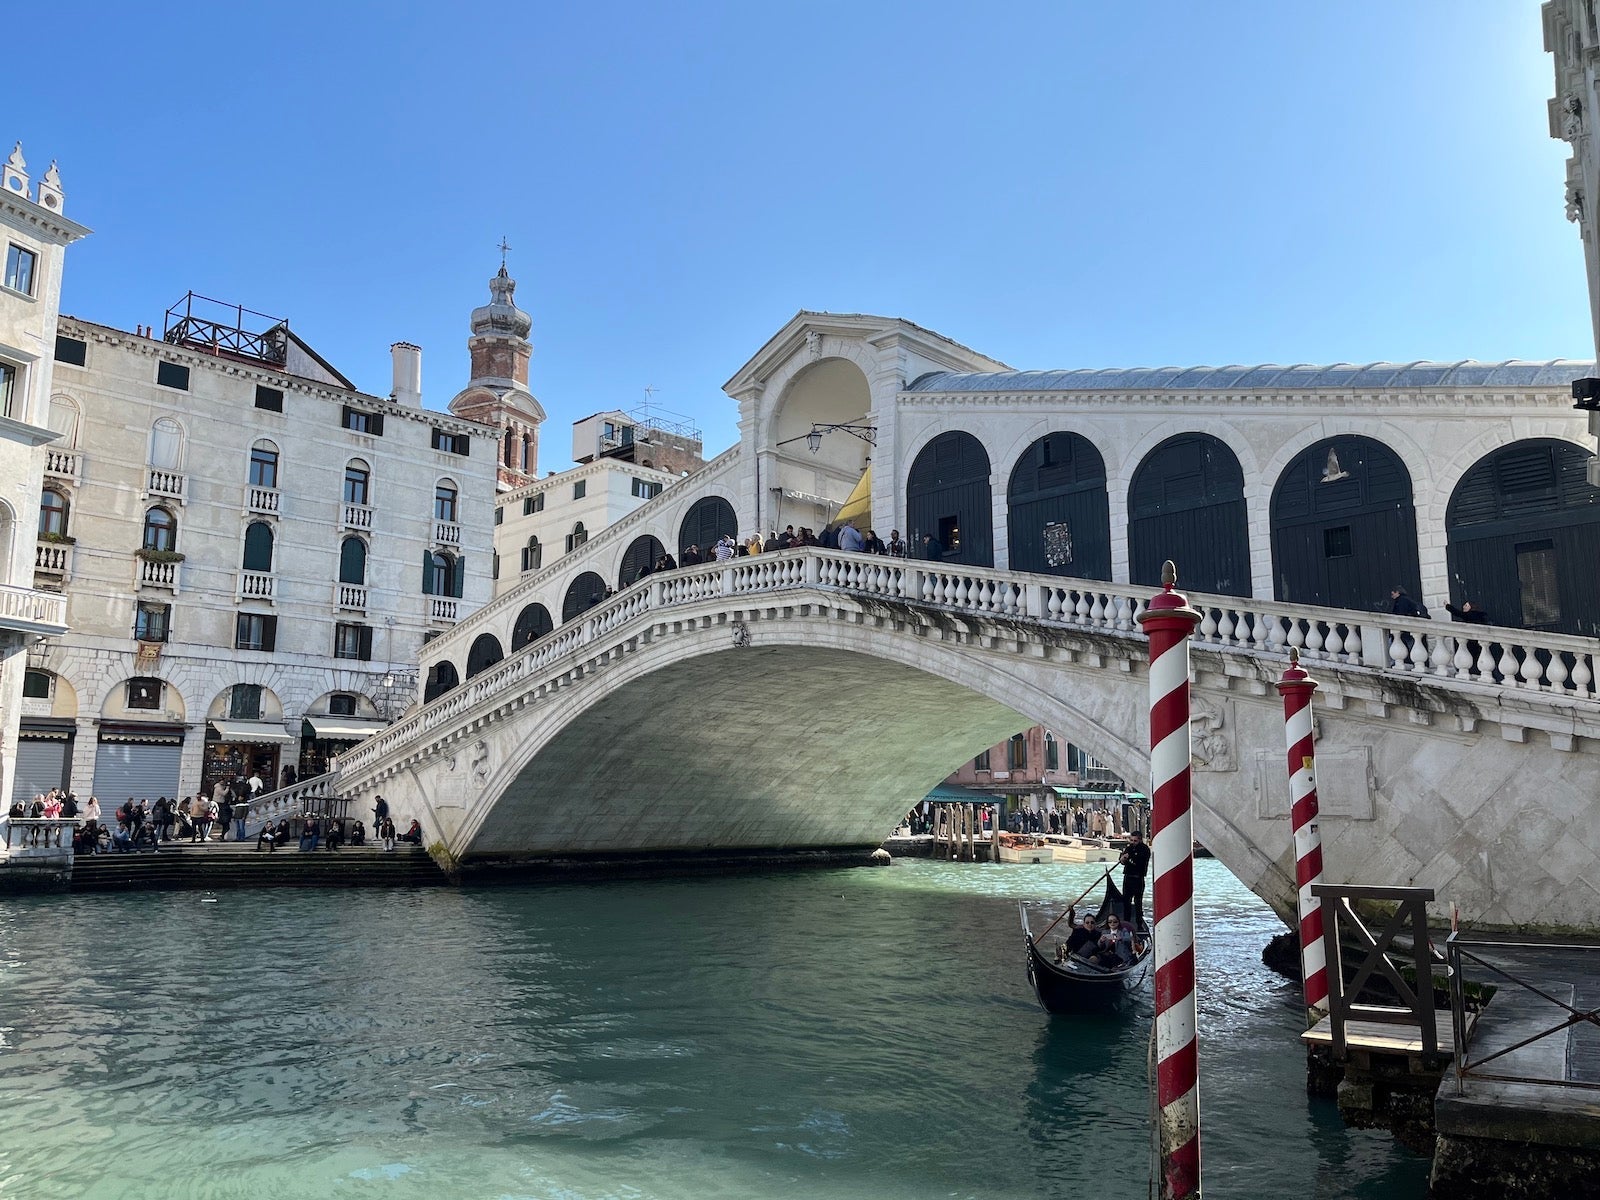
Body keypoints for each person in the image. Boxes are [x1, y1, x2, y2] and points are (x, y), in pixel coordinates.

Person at [1119, 829, 1152, 931]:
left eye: (1135, 841)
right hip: (1128, 878)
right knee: (1126, 902)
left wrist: (1129, 858)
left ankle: (1139, 924)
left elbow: (1140, 862)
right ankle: (1126, 924)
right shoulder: (1128, 848)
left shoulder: (1145, 849)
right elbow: (1122, 861)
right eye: (1131, 840)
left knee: (1138, 903)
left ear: (1140, 840)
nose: (1133, 843)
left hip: (1138, 879)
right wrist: (1123, 859)